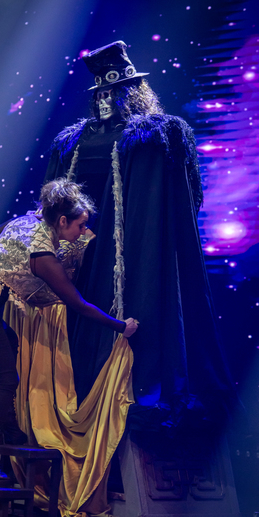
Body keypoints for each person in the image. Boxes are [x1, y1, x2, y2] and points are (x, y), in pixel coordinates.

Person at [44, 41, 234, 429]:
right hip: (83, 251)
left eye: (112, 94)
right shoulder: (72, 141)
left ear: (131, 92)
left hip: (137, 246)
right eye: (100, 94)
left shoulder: (157, 134)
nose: (105, 101)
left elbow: (179, 197)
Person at [0, 178, 138, 486]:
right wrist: (121, 327)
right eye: (80, 225)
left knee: (9, 346)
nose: (82, 232)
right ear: (61, 221)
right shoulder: (44, 257)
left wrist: (10, 230)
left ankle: (4, 425)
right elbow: (78, 304)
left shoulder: (28, 220)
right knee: (7, 378)